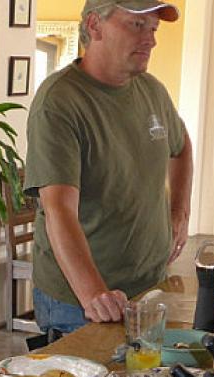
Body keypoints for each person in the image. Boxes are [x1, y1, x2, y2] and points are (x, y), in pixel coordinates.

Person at [24, 0, 194, 332]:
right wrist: (94, 295)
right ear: (94, 25)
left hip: (150, 287)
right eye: (137, 25)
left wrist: (180, 211)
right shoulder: (60, 102)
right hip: (81, 303)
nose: (151, 40)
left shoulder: (152, 91)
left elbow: (181, 145)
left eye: (153, 29)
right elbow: (58, 209)